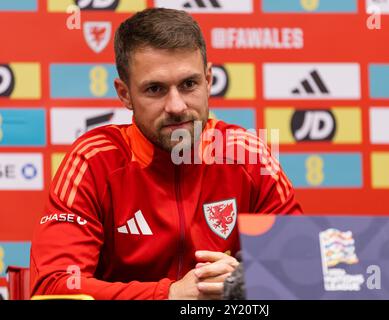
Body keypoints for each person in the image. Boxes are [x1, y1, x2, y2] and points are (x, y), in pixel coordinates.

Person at [30, 7, 302, 300]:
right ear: (124, 94)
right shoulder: (94, 161)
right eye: (155, 89)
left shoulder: (247, 156)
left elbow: (303, 269)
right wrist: (169, 294)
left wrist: (243, 281)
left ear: (209, 81)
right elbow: (53, 285)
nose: (176, 106)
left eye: (189, 84)